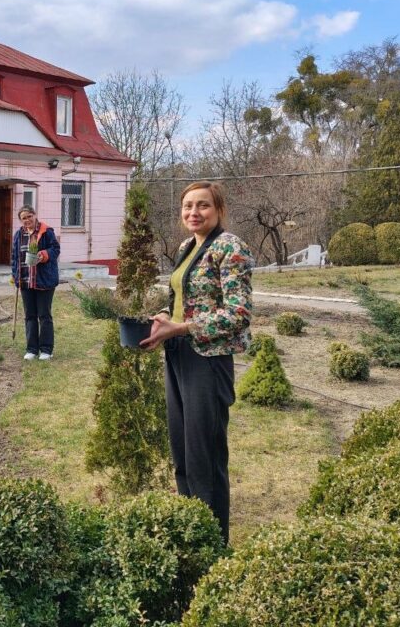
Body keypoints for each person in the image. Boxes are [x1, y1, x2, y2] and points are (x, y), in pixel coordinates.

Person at [139, 181, 254, 545]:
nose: (193, 212)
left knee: (205, 456)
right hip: (178, 355)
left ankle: (213, 544)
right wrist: (164, 318)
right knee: (183, 452)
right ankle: (189, 532)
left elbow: (238, 314)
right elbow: (180, 298)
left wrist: (182, 327)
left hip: (208, 361)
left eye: (202, 205)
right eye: (187, 205)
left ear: (219, 209)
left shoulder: (230, 247)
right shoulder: (187, 247)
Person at [11, 205, 60, 361]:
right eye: (23, 218)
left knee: (44, 315)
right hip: (25, 281)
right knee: (30, 315)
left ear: (34, 215)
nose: (27, 220)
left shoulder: (46, 231)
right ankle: (32, 349)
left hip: (44, 280)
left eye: (29, 216)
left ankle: (46, 350)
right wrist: (16, 276)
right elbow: (14, 257)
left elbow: (55, 249)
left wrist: (44, 255)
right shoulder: (19, 234)